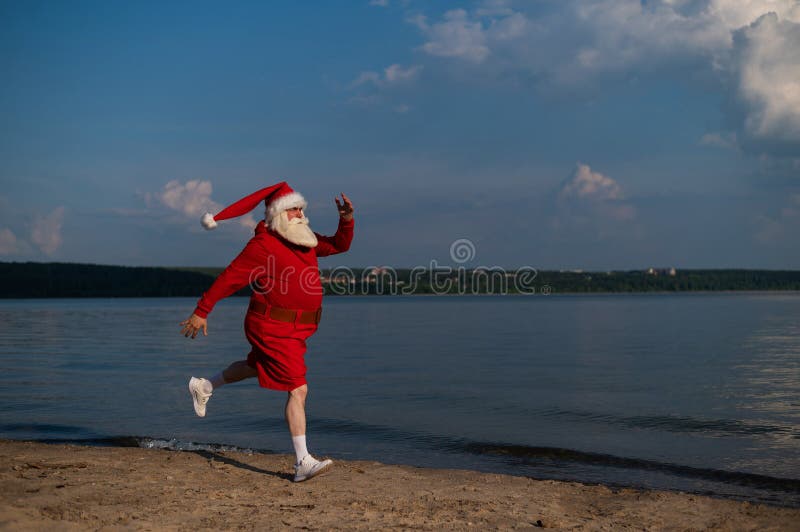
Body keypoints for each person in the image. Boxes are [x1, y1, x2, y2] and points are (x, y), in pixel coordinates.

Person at [179, 182, 354, 482]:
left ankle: (205, 386)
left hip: (296, 330)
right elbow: (229, 278)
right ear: (277, 214)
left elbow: (339, 245)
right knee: (298, 388)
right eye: (292, 209)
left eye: (300, 208)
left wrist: (347, 220)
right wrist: (202, 310)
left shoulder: (304, 239)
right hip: (272, 327)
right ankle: (302, 463)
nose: (299, 213)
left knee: (255, 367)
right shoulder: (262, 246)